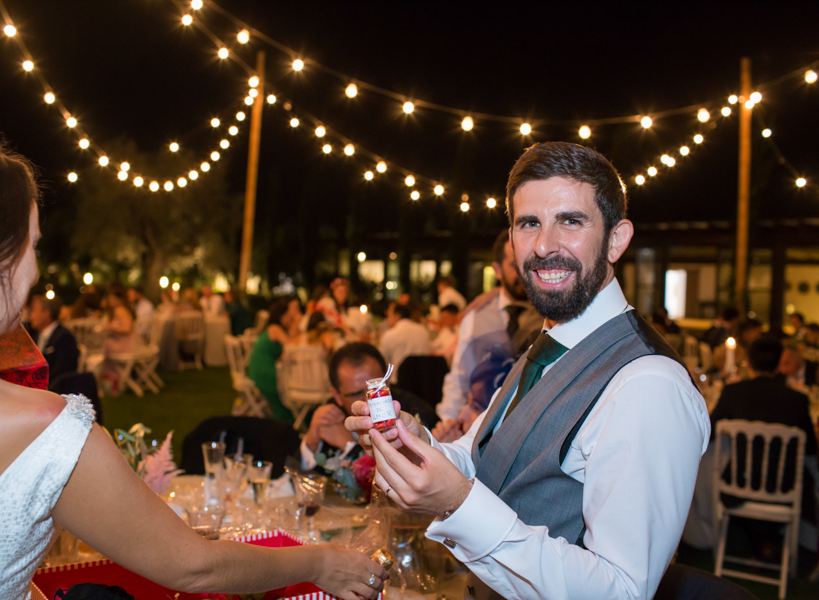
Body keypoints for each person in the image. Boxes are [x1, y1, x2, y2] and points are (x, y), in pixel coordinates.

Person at [0, 126, 386, 598]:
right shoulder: (44, 431)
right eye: (33, 246)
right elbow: (194, 567)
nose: (36, 270)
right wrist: (322, 562)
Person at [346, 141, 709, 600]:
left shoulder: (648, 385)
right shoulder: (549, 342)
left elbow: (621, 591)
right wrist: (417, 446)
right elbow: (485, 461)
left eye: (570, 221)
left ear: (617, 240)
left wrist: (458, 502)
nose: (543, 246)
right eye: (529, 223)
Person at [709, 336, 818, 554]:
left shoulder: (733, 392)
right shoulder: (796, 399)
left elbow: (710, 433)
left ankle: (757, 540)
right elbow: (810, 449)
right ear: (779, 364)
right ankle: (768, 540)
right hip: (785, 487)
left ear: (748, 363)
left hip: (738, 485)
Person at [437, 229, 543, 420]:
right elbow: (460, 376)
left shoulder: (552, 314)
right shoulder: (475, 315)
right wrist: (449, 420)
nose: (523, 272)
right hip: (480, 425)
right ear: (497, 270)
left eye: (528, 263)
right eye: (514, 265)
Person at [301, 342, 438, 472]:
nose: (368, 400)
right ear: (337, 395)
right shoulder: (331, 415)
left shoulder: (417, 414)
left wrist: (349, 446)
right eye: (356, 394)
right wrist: (311, 443)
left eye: (375, 389)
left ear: (387, 381)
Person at [247, 296, 302, 422]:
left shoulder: (275, 329)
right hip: (264, 371)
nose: (290, 319)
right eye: (288, 316)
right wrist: (297, 323)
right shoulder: (274, 329)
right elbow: (290, 344)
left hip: (261, 367)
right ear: (281, 316)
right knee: (286, 390)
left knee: (289, 383)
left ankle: (293, 417)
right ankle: (289, 419)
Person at [26, 294, 79, 385]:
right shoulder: (36, 335)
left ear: (46, 313)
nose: (31, 316)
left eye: (34, 310)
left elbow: (62, 373)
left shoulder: (64, 338)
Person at [378, 303, 431, 384]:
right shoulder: (423, 331)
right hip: (424, 382)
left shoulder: (389, 334)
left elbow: (381, 362)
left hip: (398, 384)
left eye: (389, 316)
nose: (388, 319)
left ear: (397, 316)